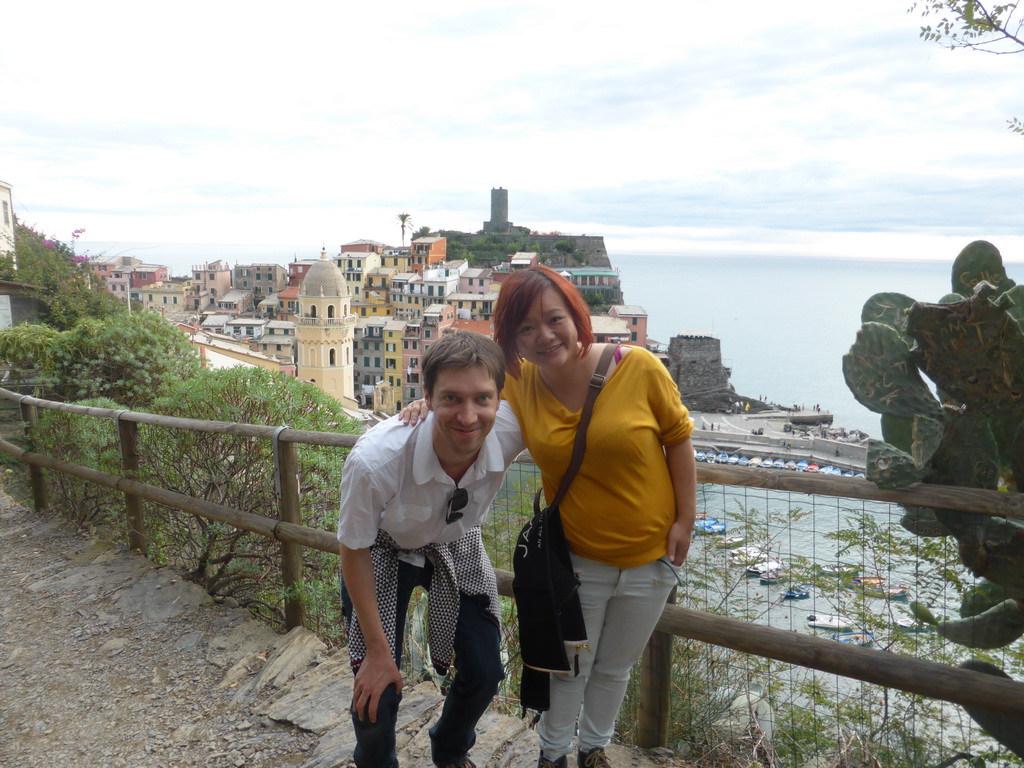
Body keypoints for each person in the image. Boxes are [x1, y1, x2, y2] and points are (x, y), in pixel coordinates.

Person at [404, 265, 696, 768]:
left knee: (616, 667)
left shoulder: (640, 367)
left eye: (554, 319)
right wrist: (425, 405)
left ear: (576, 316)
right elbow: (472, 408)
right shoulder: (521, 385)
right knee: (570, 666)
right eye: (525, 328)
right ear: (511, 337)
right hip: (577, 555)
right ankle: (554, 754)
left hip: (653, 556)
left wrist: (685, 521)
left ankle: (594, 748)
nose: (543, 336)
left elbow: (678, 438)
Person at [338, 331, 525, 768]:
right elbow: (354, 550)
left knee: (485, 671)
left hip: (455, 542)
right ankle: (376, 761)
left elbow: (562, 389)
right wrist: (380, 654)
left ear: (500, 399)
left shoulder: (511, 428)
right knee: (375, 689)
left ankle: (450, 747)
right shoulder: (375, 461)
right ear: (426, 397)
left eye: (482, 398)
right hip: (383, 552)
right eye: (451, 399)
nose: (468, 415)